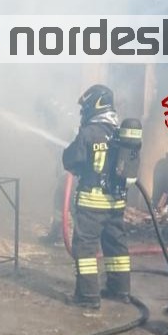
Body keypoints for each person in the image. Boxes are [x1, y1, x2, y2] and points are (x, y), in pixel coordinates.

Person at [62, 84, 130, 309]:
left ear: (94, 105)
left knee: (85, 249)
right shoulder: (119, 132)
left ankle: (88, 296)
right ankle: (120, 290)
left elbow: (72, 160)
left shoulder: (89, 132)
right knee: (116, 247)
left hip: (92, 203)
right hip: (116, 203)